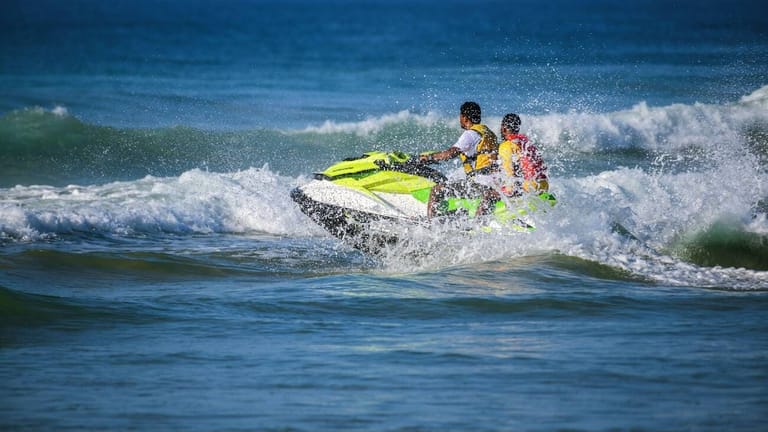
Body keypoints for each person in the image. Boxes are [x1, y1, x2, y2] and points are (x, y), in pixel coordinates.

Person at [419, 101, 498, 218]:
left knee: (436, 190)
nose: (459, 119)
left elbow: (450, 153)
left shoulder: (470, 134)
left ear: (465, 118)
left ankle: (431, 223)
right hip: (493, 182)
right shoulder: (488, 133)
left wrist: (429, 157)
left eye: (460, 116)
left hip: (480, 184)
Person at [497, 113, 549, 197]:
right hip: (544, 184)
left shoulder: (506, 146)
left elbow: (510, 174)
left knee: (496, 191)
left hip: (530, 186)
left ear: (503, 128)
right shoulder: (526, 142)